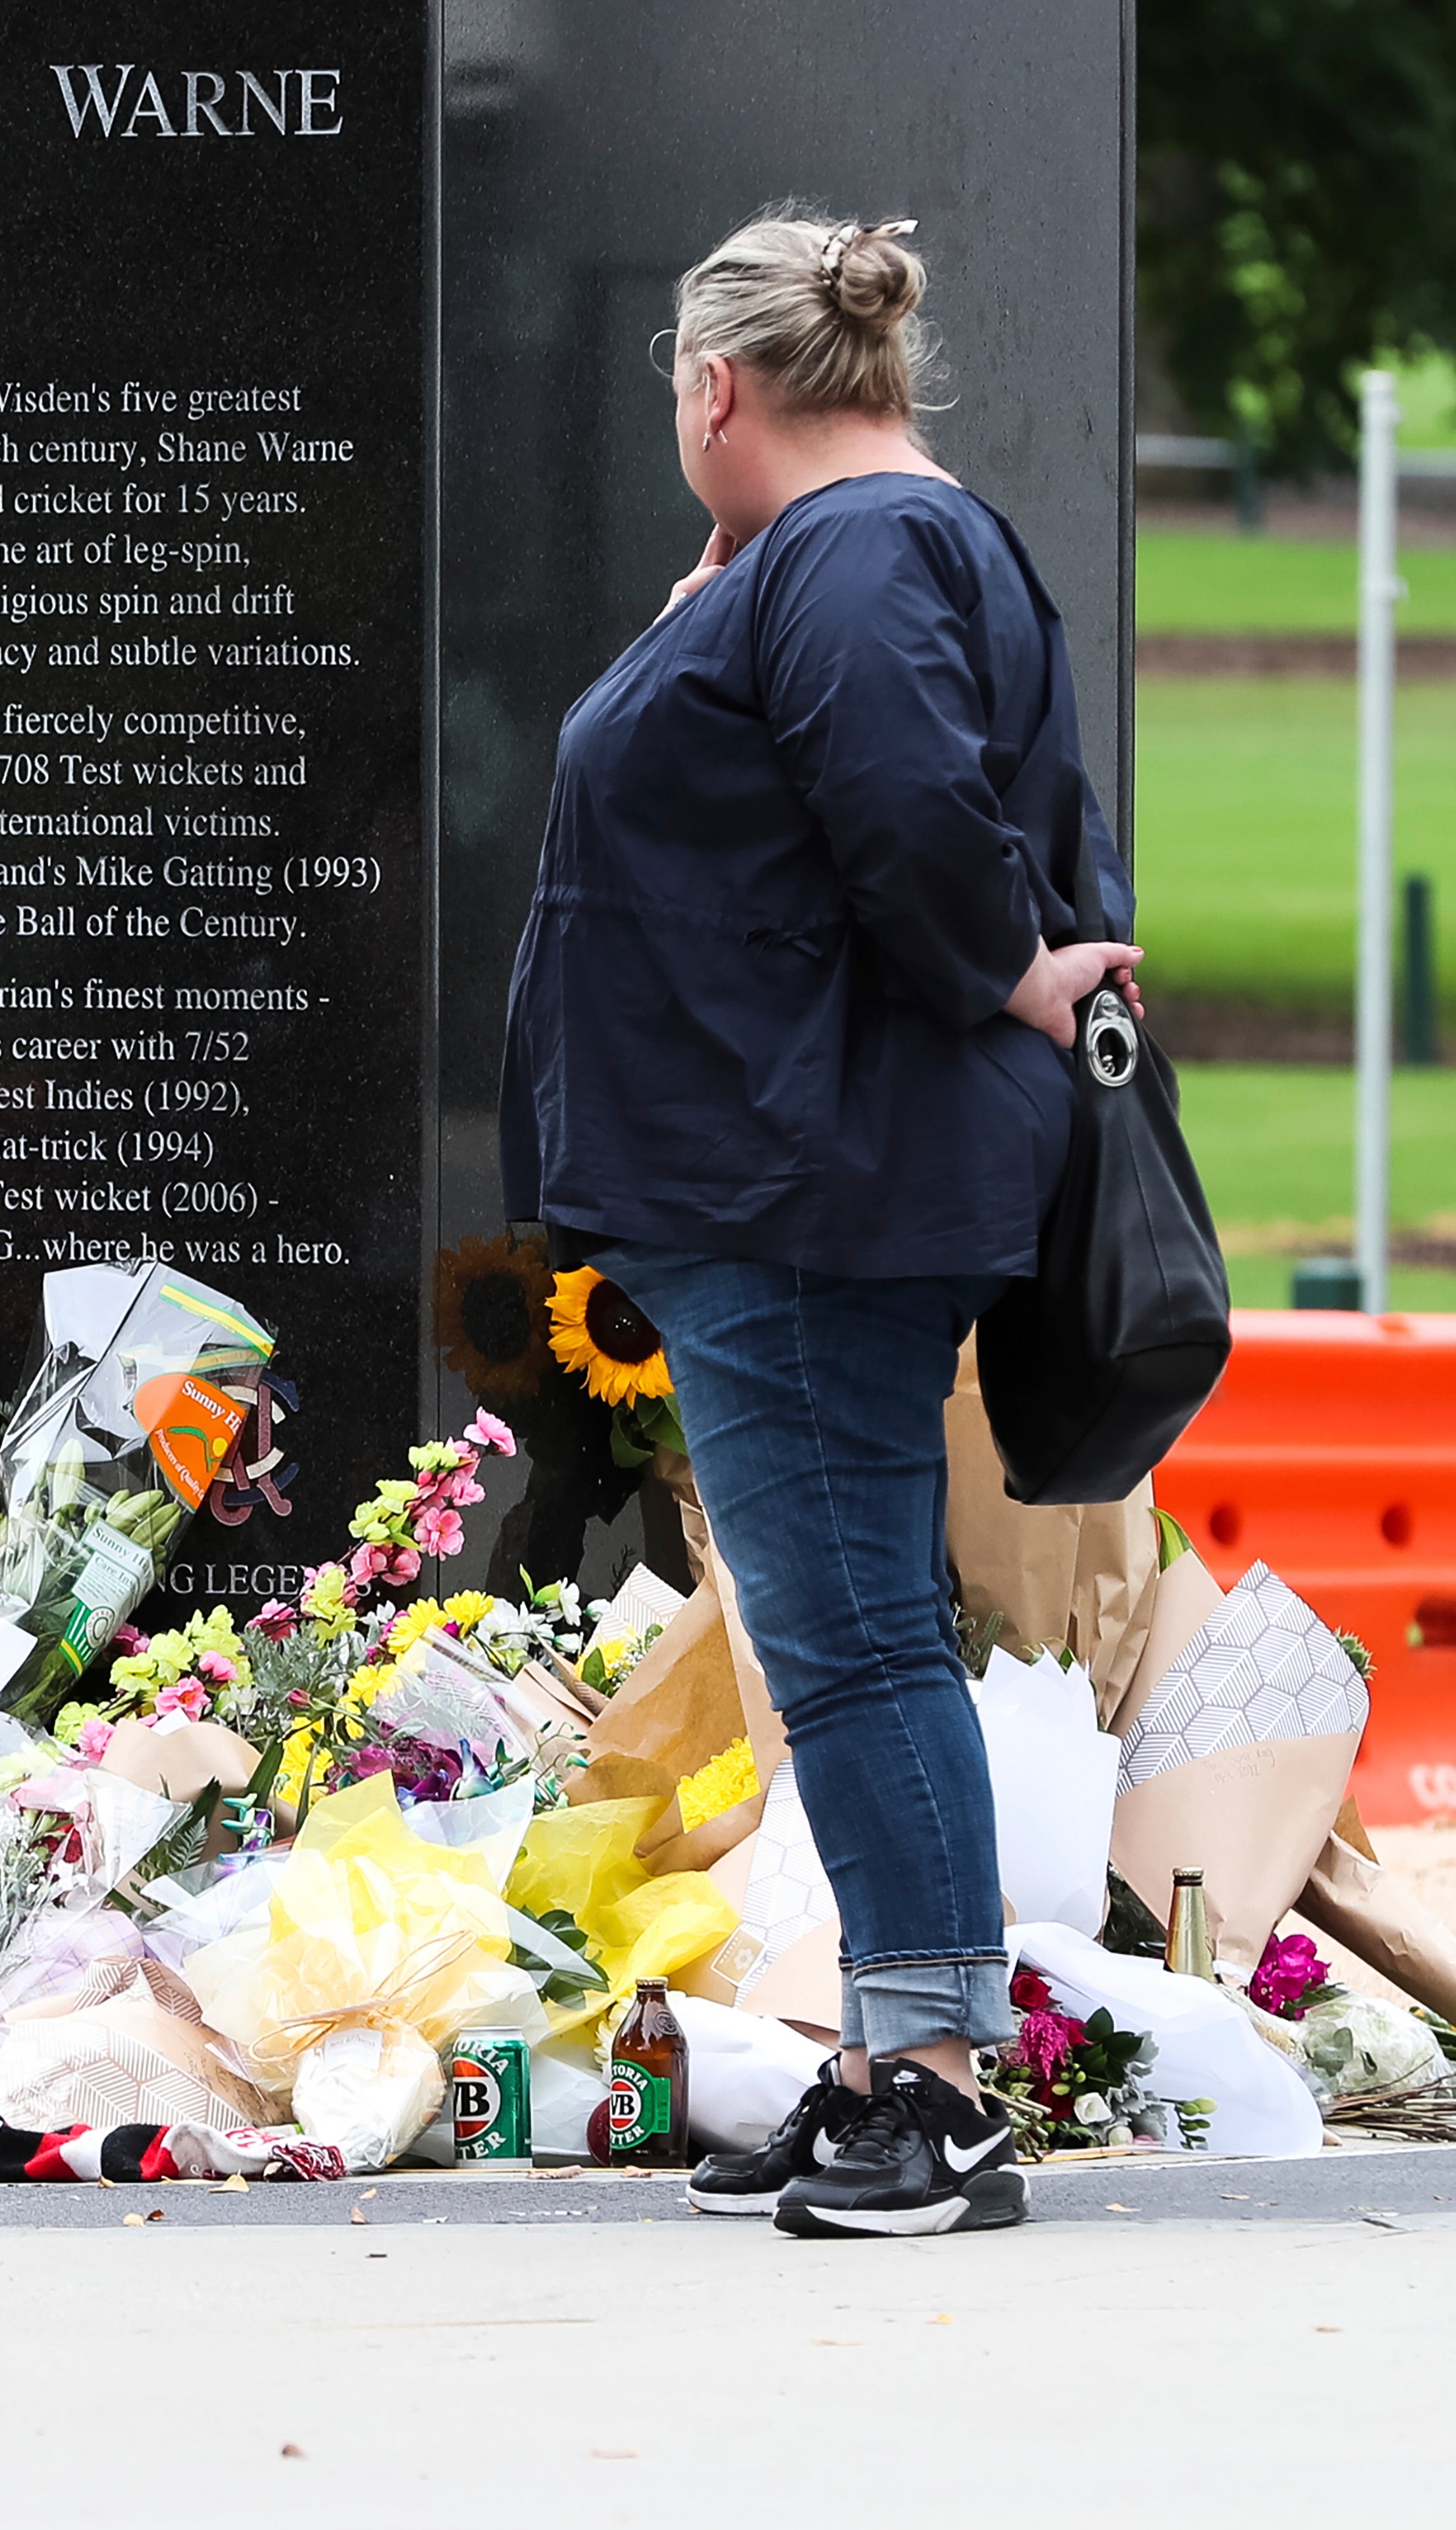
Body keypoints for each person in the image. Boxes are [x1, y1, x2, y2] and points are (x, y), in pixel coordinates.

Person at [500, 209, 1139, 2238]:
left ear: (716, 389)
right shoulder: (842, 551)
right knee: (848, 1631)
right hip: (796, 1174)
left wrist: (1003, 968)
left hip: (801, 1186)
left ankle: (937, 2093)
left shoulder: (858, 553)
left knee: (857, 1642)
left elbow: (908, 812)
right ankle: (885, 2056)